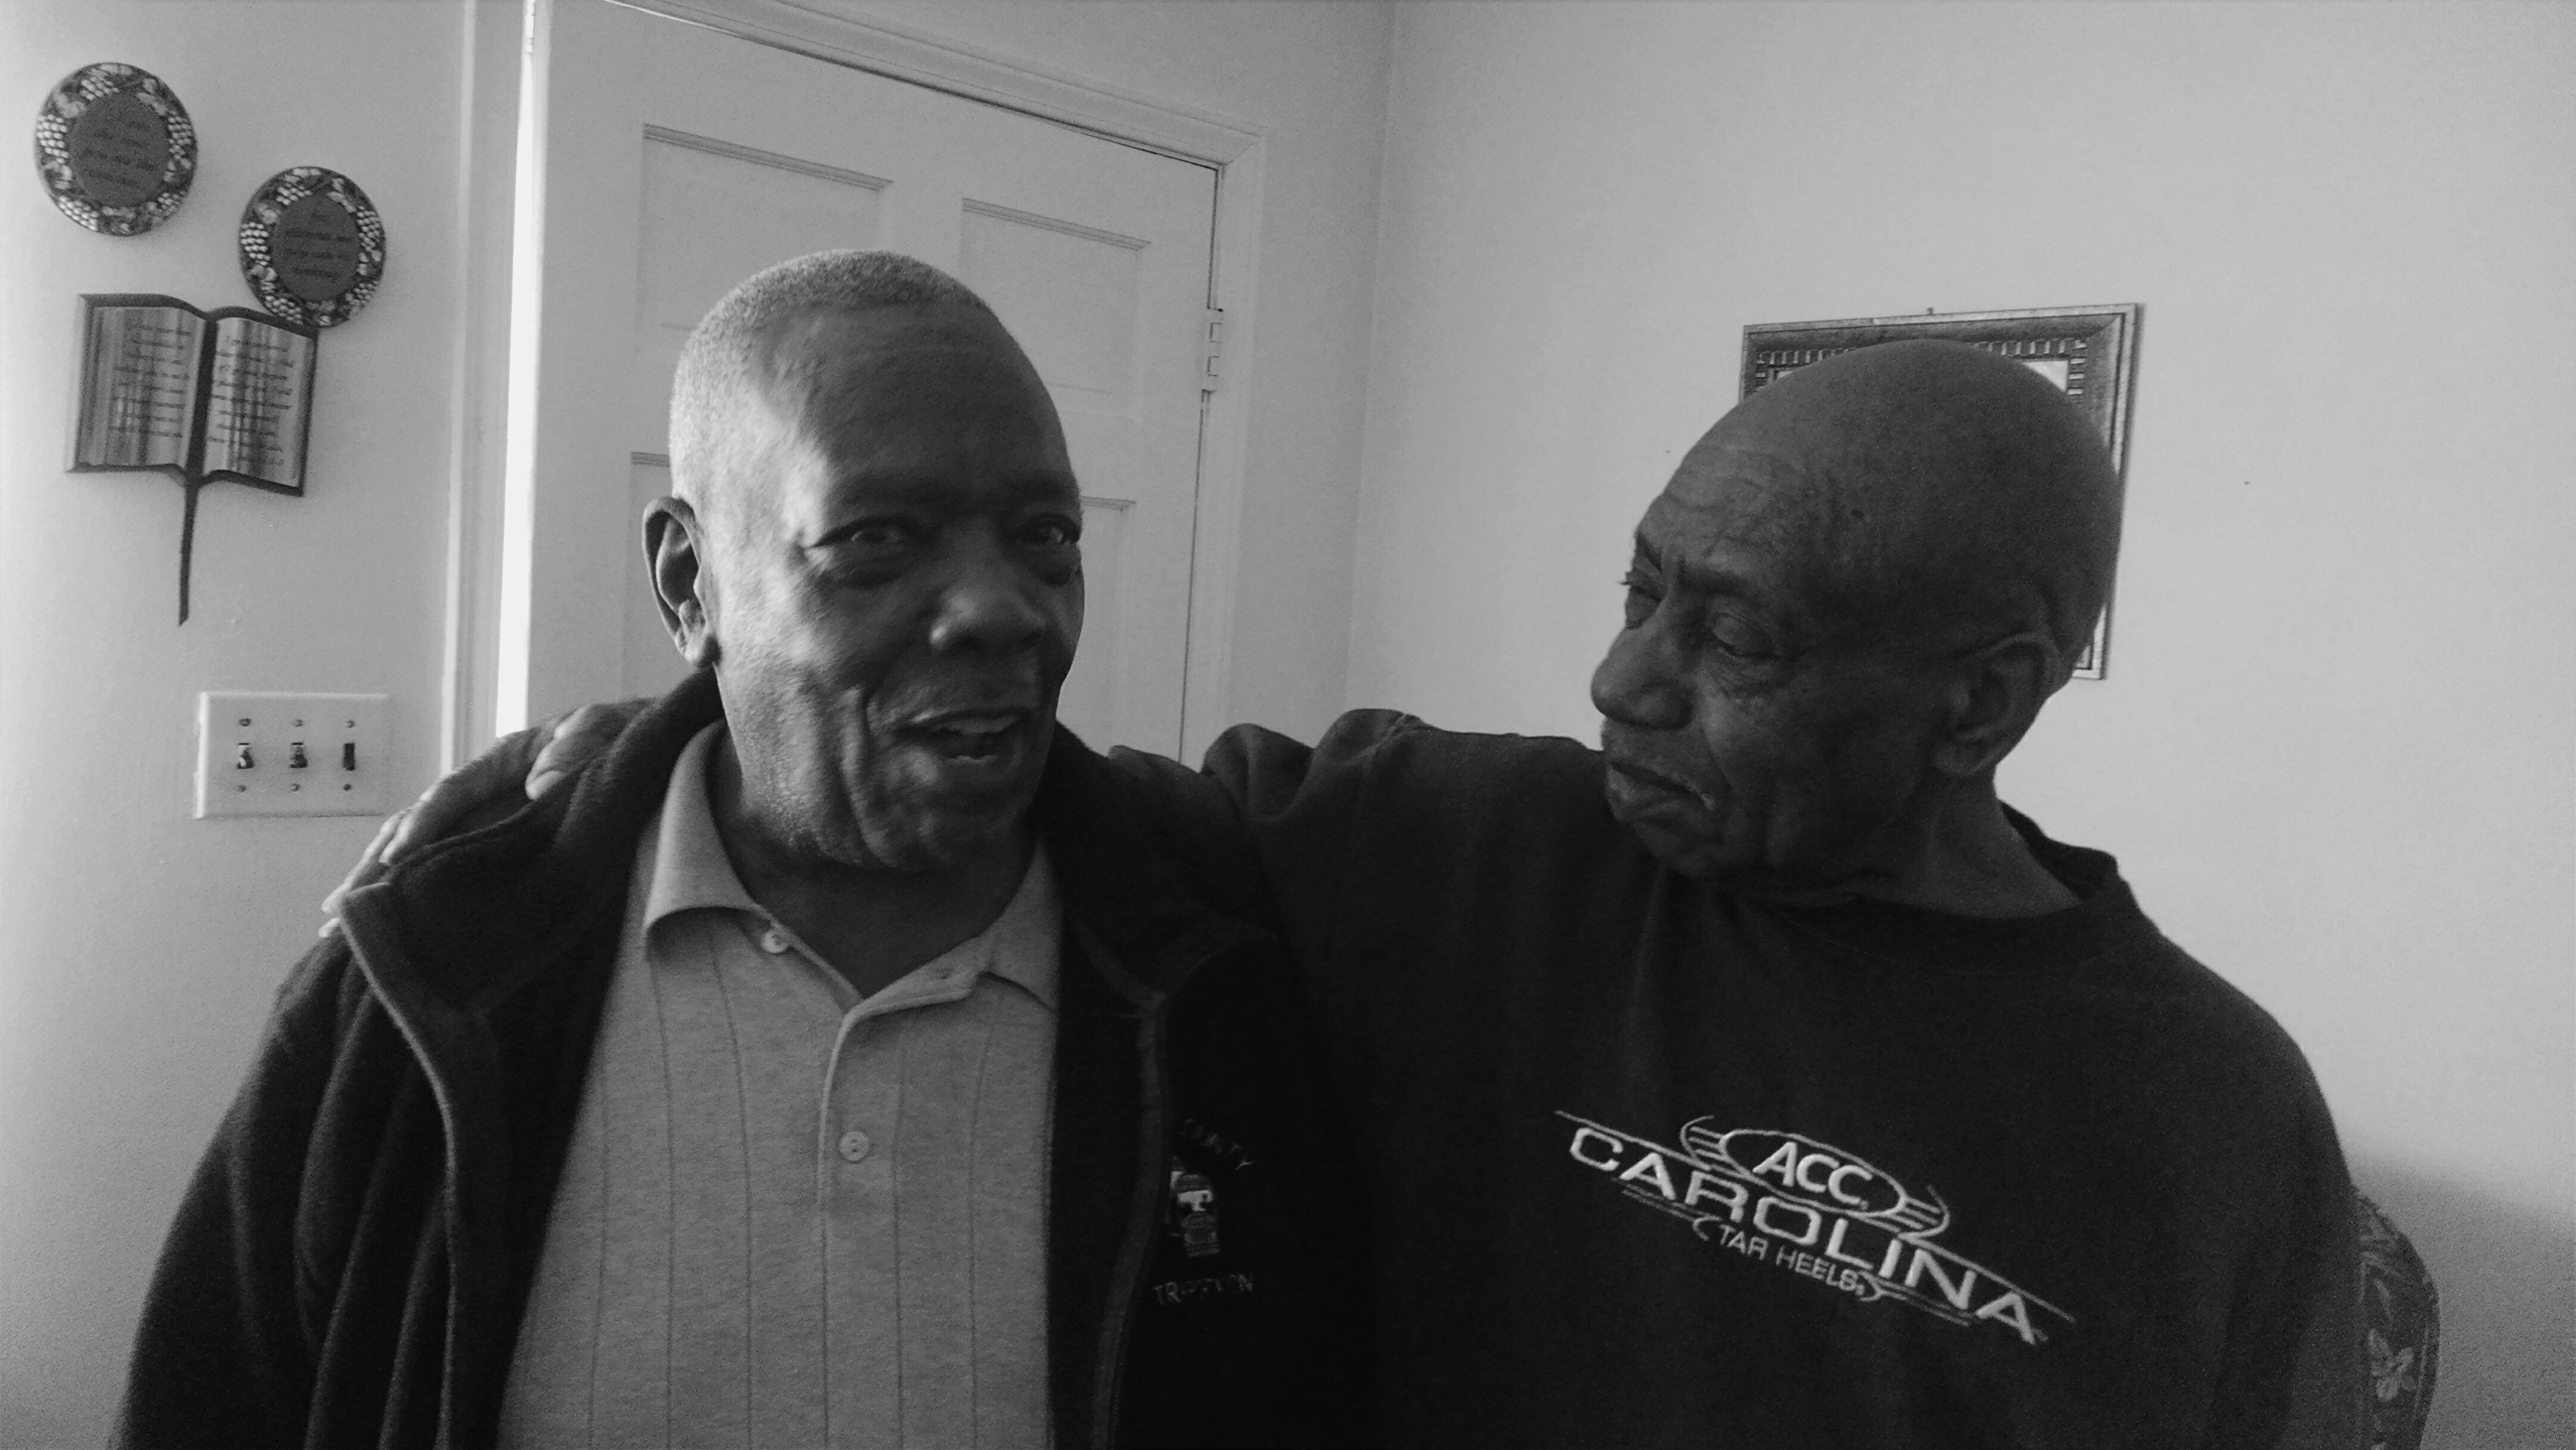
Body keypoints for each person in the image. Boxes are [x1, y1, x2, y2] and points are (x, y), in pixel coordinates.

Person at [344, 340, 2362, 1445]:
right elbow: (1002, 781)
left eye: (1733, 638)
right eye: (1641, 588)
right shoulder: (1469, 856)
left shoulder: (2208, 1117)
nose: (1622, 680)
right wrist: (652, 751)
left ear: (1977, 701)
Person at [117, 252, 1366, 1449]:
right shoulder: (427, 978)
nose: (1002, 608)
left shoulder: (1223, 957)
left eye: (1045, 535)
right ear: (689, 582)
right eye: (878, 537)